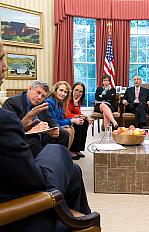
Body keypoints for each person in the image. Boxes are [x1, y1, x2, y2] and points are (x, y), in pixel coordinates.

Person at [0, 40, 91, 232]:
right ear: (30, 89)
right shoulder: (10, 108)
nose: (5, 66)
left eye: (43, 95)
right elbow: (35, 181)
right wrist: (23, 126)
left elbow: (52, 120)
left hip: (20, 167)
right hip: (20, 209)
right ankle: (77, 222)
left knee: (75, 171)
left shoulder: (43, 106)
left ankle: (81, 221)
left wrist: (54, 128)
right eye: (1, 58)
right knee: (57, 152)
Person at [3, 80, 69, 157]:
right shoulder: (12, 103)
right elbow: (8, 129)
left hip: (41, 134)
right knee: (34, 140)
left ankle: (57, 160)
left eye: (43, 96)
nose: (39, 97)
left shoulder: (43, 103)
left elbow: (50, 119)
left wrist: (56, 128)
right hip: (23, 136)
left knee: (63, 133)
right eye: (38, 92)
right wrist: (30, 130)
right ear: (30, 88)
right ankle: (36, 166)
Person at [46, 81, 87, 160]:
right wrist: (73, 120)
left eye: (65, 92)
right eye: (61, 90)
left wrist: (76, 117)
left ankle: (67, 153)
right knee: (69, 130)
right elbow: (55, 121)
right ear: (55, 90)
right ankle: (65, 154)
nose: (63, 93)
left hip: (58, 122)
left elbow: (61, 118)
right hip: (50, 126)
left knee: (73, 128)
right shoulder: (50, 102)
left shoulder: (60, 102)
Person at [65, 82, 93, 158]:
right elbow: (67, 115)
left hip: (73, 118)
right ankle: (71, 150)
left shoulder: (78, 100)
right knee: (78, 122)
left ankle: (78, 149)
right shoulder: (66, 99)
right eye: (76, 90)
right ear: (72, 90)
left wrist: (76, 104)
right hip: (65, 119)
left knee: (85, 122)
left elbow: (78, 113)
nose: (78, 93)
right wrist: (80, 116)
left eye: (80, 91)